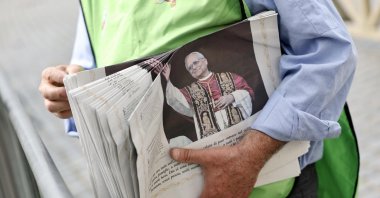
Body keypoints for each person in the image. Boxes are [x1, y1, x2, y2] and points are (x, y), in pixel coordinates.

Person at [39, 0, 358, 197]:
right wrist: (71, 88)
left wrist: (248, 158)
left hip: (266, 187)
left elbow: (328, 54)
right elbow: (92, 59)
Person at [163, 52, 254, 139]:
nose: (193, 67)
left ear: (205, 61)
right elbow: (176, 100)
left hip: (238, 130)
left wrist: (231, 97)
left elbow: (248, 92)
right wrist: (168, 83)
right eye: (190, 68)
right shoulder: (189, 91)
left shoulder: (229, 77)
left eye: (195, 62)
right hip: (214, 138)